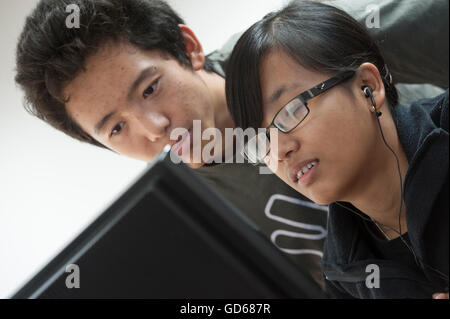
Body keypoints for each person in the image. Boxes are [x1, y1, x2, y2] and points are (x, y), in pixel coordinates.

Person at [14, 0, 447, 294]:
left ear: (189, 48)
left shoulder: (296, 53)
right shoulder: (188, 217)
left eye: (149, 89)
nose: (155, 127)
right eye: (116, 129)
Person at [225, 0, 449, 298]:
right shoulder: (342, 279)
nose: (278, 150)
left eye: (291, 111)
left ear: (367, 85)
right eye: (259, 139)